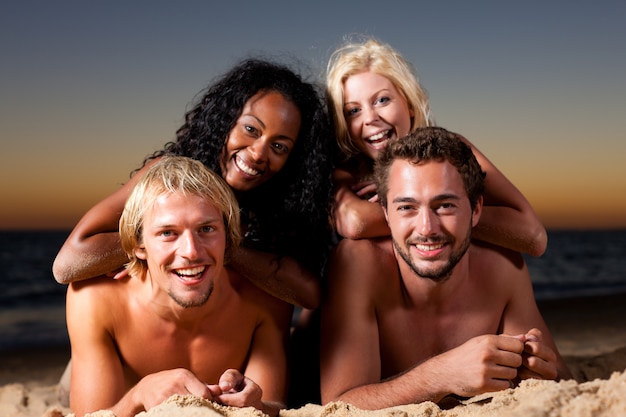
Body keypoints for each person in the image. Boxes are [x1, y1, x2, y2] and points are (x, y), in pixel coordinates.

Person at [319, 127, 571, 410]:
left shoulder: (503, 267)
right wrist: (443, 374)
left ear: (476, 210)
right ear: (386, 214)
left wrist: (541, 371)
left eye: (445, 206)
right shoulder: (358, 263)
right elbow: (338, 405)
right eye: (406, 208)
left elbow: (564, 381)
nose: (426, 228)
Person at [53, 58, 335, 310]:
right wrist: (155, 244)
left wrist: (224, 245)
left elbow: (309, 295)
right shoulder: (164, 177)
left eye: (279, 146)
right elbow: (66, 266)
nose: (259, 153)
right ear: (226, 121)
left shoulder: (282, 210)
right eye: (251, 129)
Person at [66, 156, 293, 417]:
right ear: (140, 244)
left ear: (228, 238)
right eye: (167, 233)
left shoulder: (265, 300)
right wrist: (140, 394)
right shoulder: (95, 300)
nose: (191, 251)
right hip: (99, 367)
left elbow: (276, 406)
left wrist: (259, 405)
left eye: (206, 229)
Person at [325, 37, 547, 256]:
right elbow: (356, 222)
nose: (370, 118)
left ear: (409, 103)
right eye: (353, 111)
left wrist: (434, 204)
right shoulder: (346, 172)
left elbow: (533, 236)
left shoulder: (454, 151)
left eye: (382, 100)